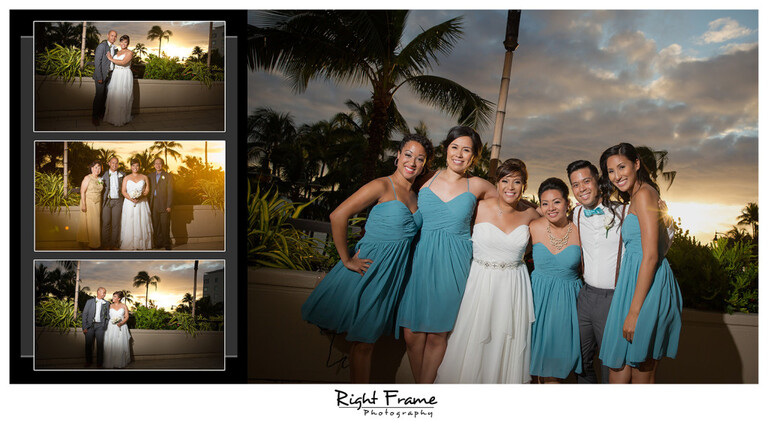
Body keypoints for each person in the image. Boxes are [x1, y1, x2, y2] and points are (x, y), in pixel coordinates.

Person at [301, 134, 433, 383]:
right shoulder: (382, 185)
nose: (412, 162)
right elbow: (338, 215)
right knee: (364, 344)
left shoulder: (417, 196)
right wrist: (347, 260)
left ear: (424, 164)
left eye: (420, 158)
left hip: (394, 276)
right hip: (370, 270)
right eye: (408, 154)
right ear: (397, 156)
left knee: (367, 341)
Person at [396, 126, 496, 384]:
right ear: (445, 149)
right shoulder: (424, 178)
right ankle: (423, 390)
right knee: (411, 334)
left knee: (438, 335)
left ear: (474, 157)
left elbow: (510, 207)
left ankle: (424, 393)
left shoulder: (478, 185)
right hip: (422, 259)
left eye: (467, 150)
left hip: (455, 263)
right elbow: (395, 195)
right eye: (455, 147)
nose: (459, 155)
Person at [436, 158, 539, 383]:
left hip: (513, 286)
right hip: (480, 282)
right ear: (497, 183)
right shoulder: (478, 207)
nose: (510, 187)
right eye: (505, 181)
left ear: (524, 185)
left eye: (517, 182)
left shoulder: (531, 215)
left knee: (507, 341)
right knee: (472, 339)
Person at [598, 143, 683, 383]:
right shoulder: (639, 195)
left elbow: (652, 255)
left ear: (636, 164)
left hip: (647, 288)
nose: (616, 176)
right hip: (634, 283)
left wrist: (635, 312)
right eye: (611, 171)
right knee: (621, 368)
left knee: (639, 374)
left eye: (622, 167)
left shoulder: (645, 193)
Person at [528, 177, 583, 383]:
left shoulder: (581, 230)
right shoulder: (532, 226)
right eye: (545, 203)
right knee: (528, 369)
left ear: (567, 203)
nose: (551, 208)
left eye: (557, 202)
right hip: (535, 300)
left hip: (567, 304)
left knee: (555, 372)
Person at [120, 159, 153, 250]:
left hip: (142, 203)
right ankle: (130, 243)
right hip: (129, 203)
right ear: (131, 167)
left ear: (140, 166)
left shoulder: (144, 177)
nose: (135, 167)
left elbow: (147, 190)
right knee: (130, 221)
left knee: (141, 221)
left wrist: (140, 197)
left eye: (137, 165)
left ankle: (141, 243)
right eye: (133, 165)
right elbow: (123, 191)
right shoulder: (126, 178)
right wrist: (131, 198)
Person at [103, 35, 134, 126]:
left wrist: (110, 58)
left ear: (128, 43)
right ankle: (112, 117)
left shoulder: (129, 52)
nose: (123, 44)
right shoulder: (118, 52)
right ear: (119, 42)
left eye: (125, 42)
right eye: (122, 41)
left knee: (122, 95)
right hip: (116, 74)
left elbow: (123, 62)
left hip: (124, 75)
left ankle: (121, 119)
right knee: (114, 94)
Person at [92, 30, 117, 126]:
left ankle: (101, 114)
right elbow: (97, 62)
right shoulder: (102, 46)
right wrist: (99, 77)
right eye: (112, 35)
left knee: (105, 96)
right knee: (99, 96)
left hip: (109, 76)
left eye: (115, 36)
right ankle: (94, 116)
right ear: (108, 36)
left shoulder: (115, 49)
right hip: (101, 76)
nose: (113, 38)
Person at [76, 161, 104, 249]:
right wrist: (84, 204)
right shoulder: (87, 178)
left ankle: (95, 243)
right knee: (89, 223)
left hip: (97, 203)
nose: (97, 169)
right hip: (89, 202)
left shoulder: (100, 179)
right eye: (96, 167)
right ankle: (90, 244)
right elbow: (82, 192)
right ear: (92, 168)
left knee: (96, 223)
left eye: (99, 168)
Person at [149, 157, 174, 250]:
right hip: (153, 203)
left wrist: (169, 205)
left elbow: (170, 191)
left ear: (162, 165)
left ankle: (167, 243)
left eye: (160, 163)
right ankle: (158, 243)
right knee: (156, 225)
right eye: (156, 163)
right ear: (154, 165)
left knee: (165, 225)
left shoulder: (168, 176)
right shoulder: (150, 176)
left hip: (164, 204)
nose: (158, 165)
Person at [82, 287, 110, 368]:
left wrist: (104, 325)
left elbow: (107, 316)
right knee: (88, 345)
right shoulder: (89, 302)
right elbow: (84, 314)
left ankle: (99, 363)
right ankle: (88, 361)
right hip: (90, 326)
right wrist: (84, 327)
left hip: (100, 326)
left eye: (105, 293)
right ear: (98, 292)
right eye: (103, 292)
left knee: (100, 345)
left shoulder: (106, 303)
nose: (105, 294)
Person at [103, 291, 132, 369]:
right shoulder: (109, 305)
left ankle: (119, 362)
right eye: (113, 296)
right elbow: (105, 315)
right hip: (111, 327)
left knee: (120, 344)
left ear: (119, 298)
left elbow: (126, 316)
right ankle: (110, 362)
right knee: (110, 343)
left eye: (115, 296)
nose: (113, 298)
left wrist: (121, 323)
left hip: (121, 327)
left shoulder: (124, 306)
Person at [101, 156, 125, 250]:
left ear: (118, 164)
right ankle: (105, 244)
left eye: (116, 163)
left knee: (116, 224)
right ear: (109, 163)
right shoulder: (104, 175)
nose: (114, 165)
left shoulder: (122, 174)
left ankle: (114, 244)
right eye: (112, 163)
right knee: (106, 223)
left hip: (118, 201)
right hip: (107, 201)